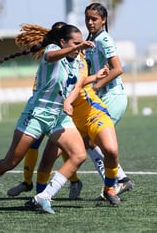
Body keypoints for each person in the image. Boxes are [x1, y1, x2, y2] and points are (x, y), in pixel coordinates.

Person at [0, 24, 106, 214]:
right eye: (75, 43)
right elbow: (51, 57)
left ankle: (44, 196)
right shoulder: (52, 50)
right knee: (10, 162)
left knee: (79, 155)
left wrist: (70, 100)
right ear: (63, 42)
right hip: (37, 114)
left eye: (81, 43)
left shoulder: (76, 61)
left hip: (59, 117)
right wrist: (77, 48)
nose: (80, 46)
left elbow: (77, 85)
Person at [6, 22, 85, 200]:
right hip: (42, 108)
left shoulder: (77, 56)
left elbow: (80, 82)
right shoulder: (52, 54)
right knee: (33, 146)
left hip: (65, 110)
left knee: (60, 154)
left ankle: (73, 181)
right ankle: (30, 185)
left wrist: (69, 101)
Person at [32, 49, 122, 206]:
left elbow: (78, 83)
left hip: (92, 113)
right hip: (68, 119)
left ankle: (109, 188)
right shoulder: (50, 63)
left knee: (111, 151)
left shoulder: (78, 58)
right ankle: (39, 196)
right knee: (47, 158)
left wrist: (95, 77)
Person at [84, 2, 134, 197]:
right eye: (87, 18)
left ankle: (117, 181)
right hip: (102, 99)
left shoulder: (104, 39)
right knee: (89, 142)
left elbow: (118, 69)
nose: (90, 22)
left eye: (94, 19)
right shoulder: (91, 40)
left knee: (94, 141)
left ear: (103, 20)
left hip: (113, 96)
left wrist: (96, 86)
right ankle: (119, 179)